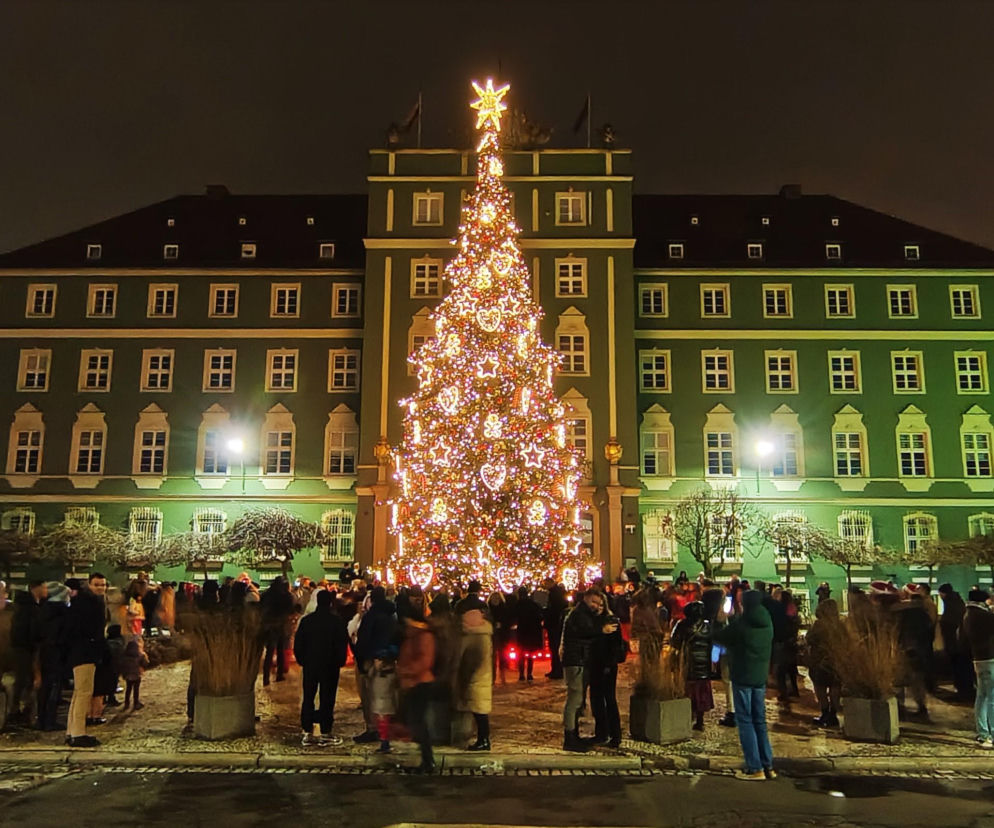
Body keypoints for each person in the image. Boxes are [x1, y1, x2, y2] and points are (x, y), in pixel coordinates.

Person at [714, 589, 775, 781]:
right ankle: (768, 765)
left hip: (742, 676)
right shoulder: (766, 622)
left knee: (746, 721)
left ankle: (754, 768)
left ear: (745, 604)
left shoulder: (741, 624)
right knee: (760, 721)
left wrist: (721, 618)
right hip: (759, 678)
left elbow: (720, 637)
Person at [561, 589, 615, 752]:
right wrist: (602, 630)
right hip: (576, 661)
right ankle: (569, 738)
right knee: (575, 700)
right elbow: (585, 631)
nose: (596, 606)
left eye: (599, 603)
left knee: (578, 700)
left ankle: (573, 735)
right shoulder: (579, 614)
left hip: (580, 660)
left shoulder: (582, 613)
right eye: (594, 602)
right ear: (586, 598)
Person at [293, 588, 349, 746]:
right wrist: (340, 661)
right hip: (330, 666)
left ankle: (307, 730)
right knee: (327, 698)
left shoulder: (307, 620)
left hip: (311, 664)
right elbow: (341, 643)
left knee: (308, 697)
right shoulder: (336, 621)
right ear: (330, 602)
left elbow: (299, 644)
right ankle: (325, 731)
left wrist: (302, 660)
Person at [64, 572, 109, 748]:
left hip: (80, 652)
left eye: (103, 585)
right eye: (97, 584)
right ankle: (78, 733)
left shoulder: (81, 602)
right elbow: (90, 630)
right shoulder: (90, 604)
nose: (100, 588)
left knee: (79, 693)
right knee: (84, 692)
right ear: (89, 585)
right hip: (85, 652)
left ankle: (72, 730)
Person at [397, 586, 437, 773]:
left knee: (418, 722)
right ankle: (426, 760)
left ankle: (428, 761)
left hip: (420, 683)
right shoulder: (413, 634)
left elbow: (424, 661)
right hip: (414, 682)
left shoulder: (423, 635)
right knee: (415, 721)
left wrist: (406, 671)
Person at [352, 586, 398, 746]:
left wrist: (360, 660)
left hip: (372, 660)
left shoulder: (371, 616)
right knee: (386, 699)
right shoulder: (392, 615)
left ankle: (374, 730)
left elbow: (364, 639)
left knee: (371, 697)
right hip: (389, 660)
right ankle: (384, 733)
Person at [587, 591, 624, 747]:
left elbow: (616, 646)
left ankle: (615, 735)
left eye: (602, 604)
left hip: (607, 666)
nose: (599, 607)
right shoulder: (593, 620)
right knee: (596, 699)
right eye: (597, 604)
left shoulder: (611, 621)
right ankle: (601, 732)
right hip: (594, 664)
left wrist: (609, 664)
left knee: (609, 699)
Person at [671, 601, 714, 731]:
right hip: (704, 664)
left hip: (688, 663)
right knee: (701, 692)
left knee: (688, 691)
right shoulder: (708, 626)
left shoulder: (682, 625)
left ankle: (687, 718)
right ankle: (700, 721)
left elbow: (674, 641)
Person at [455, 601, 493, 751]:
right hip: (481, 677)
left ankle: (483, 740)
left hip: (476, 679)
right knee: (479, 712)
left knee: (480, 713)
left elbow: (472, 660)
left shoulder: (476, 636)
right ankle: (483, 739)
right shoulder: (481, 633)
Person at [894, 587, 935, 722]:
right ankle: (921, 707)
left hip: (910, 651)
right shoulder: (924, 614)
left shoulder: (908, 615)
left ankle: (902, 707)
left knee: (902, 680)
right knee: (916, 681)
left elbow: (902, 633)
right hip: (920, 652)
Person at [960, 589, 994, 749]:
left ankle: (983, 732)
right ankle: (989, 734)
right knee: (991, 697)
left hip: (979, 658)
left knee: (982, 696)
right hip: (989, 658)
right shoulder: (982, 615)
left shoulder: (969, 614)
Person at [10, 579, 47, 722]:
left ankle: (21, 709)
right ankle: (17, 710)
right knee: (24, 679)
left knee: (27, 679)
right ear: (35, 588)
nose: (46, 590)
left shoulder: (30, 606)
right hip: (25, 648)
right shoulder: (28, 608)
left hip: (26, 647)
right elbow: (28, 630)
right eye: (44, 587)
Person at [37, 581, 70, 731]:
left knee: (45, 687)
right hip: (56, 653)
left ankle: (41, 718)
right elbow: (64, 634)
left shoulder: (43, 609)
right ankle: (50, 721)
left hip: (44, 652)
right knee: (53, 686)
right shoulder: (61, 611)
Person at [806, 598, 843, 727]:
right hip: (837, 660)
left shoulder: (819, 625)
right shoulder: (840, 625)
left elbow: (809, 639)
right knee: (835, 686)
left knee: (820, 687)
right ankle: (833, 715)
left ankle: (824, 713)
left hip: (819, 661)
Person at [937, 583, 971, 699]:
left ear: (943, 593)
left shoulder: (951, 603)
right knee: (961, 665)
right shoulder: (956, 601)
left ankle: (963, 690)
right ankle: (964, 688)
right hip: (959, 641)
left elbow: (950, 622)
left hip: (955, 642)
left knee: (959, 665)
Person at [260, 576, 294, 686]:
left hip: (268, 625)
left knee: (269, 651)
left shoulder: (266, 594)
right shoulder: (286, 596)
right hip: (281, 625)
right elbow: (291, 609)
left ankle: (266, 677)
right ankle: (279, 675)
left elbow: (261, 608)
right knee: (280, 650)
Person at [515, 586, 544, 682]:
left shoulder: (517, 605)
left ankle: (521, 674)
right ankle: (529, 673)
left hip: (521, 631)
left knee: (520, 653)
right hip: (531, 632)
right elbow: (539, 616)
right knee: (530, 654)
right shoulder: (533, 605)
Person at [544, 584, 568, 680]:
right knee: (555, 650)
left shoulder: (554, 605)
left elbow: (551, 616)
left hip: (555, 629)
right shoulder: (562, 603)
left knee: (555, 650)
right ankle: (556, 669)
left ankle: (557, 670)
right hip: (556, 628)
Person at [120, 636, 150, 710]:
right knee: (136, 690)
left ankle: (127, 703)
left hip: (128, 675)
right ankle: (136, 703)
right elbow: (145, 663)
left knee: (128, 689)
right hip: (136, 674)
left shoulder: (124, 656)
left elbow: (122, 665)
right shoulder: (139, 655)